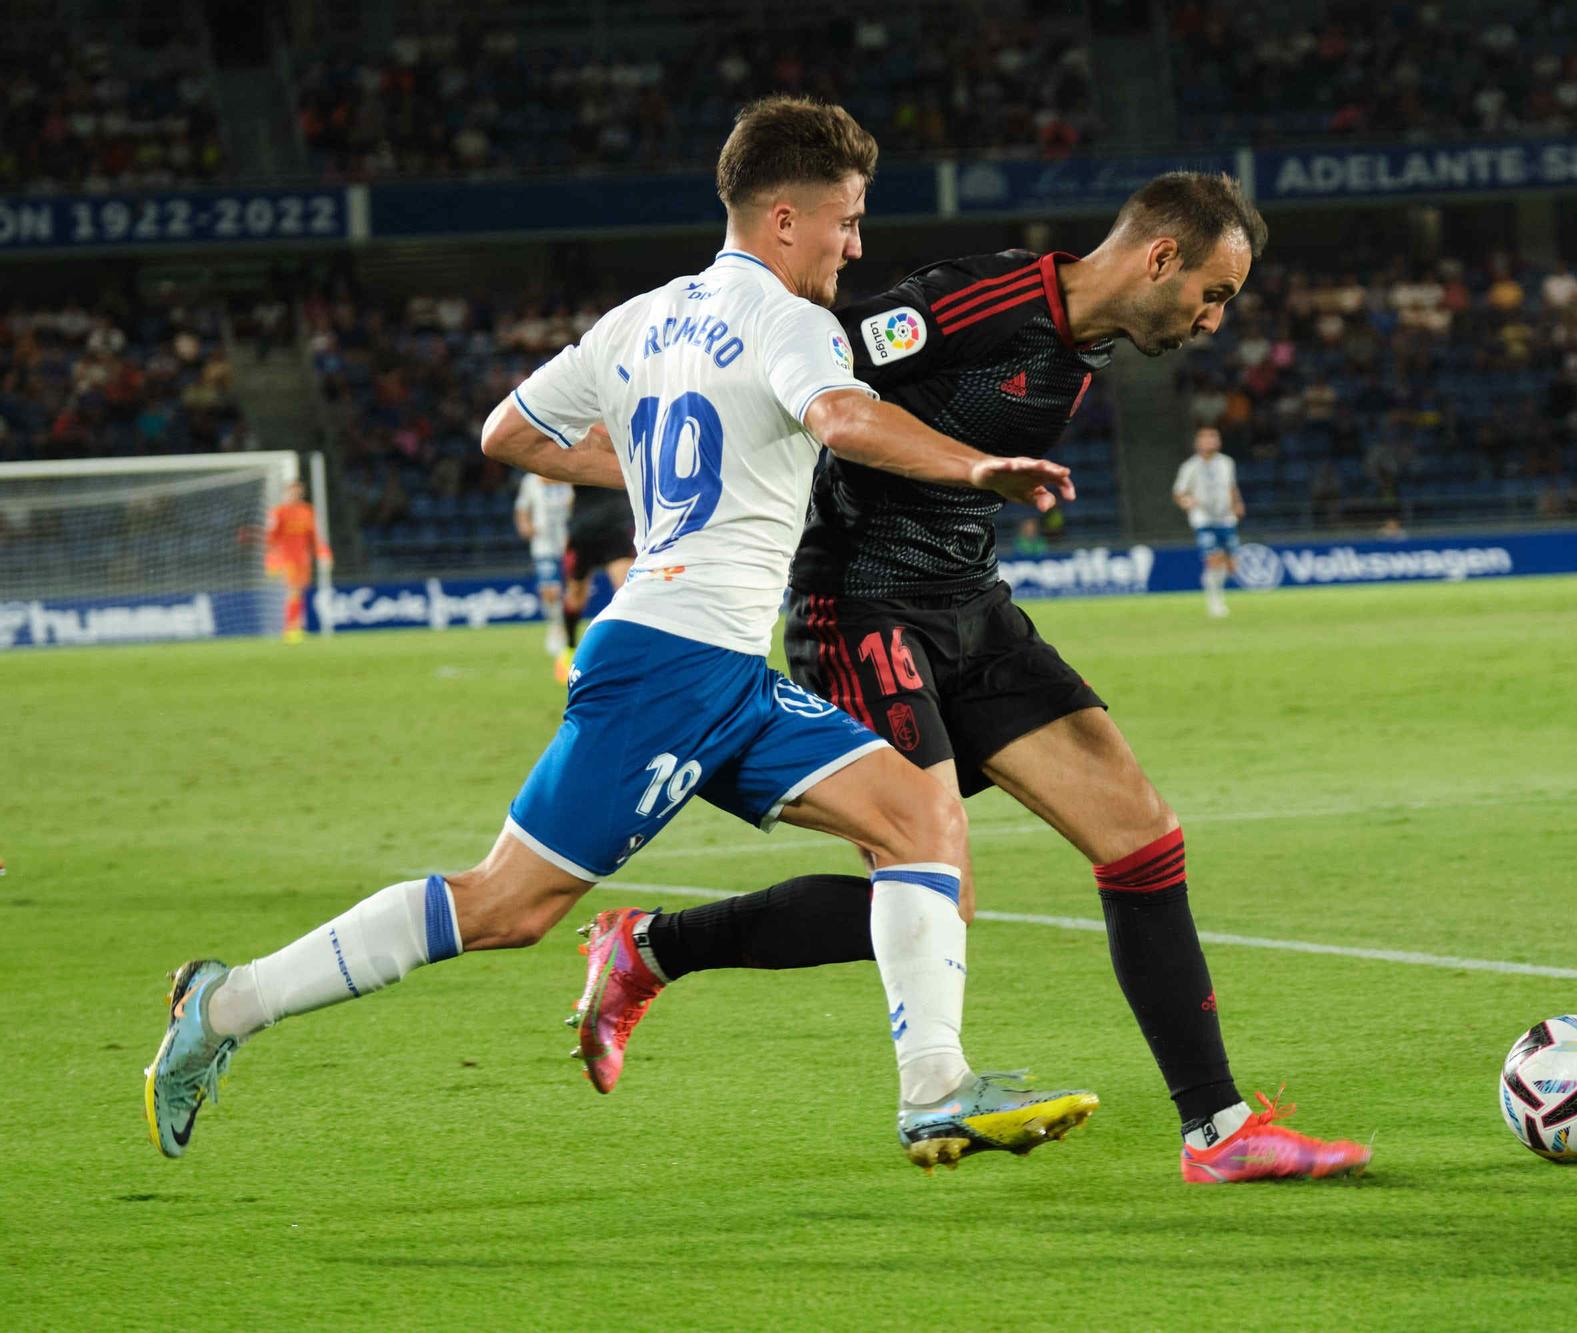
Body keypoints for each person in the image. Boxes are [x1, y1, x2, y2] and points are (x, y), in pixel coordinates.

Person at [146, 96, 1096, 1172]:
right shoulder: (792, 324)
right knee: (506, 903)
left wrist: (648, 469)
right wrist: (973, 464)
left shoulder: (637, 321)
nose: (857, 244)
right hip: (668, 663)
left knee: (921, 827)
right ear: (783, 218)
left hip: (721, 667)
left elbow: (508, 431)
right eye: (847, 219)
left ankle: (934, 1090)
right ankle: (224, 1006)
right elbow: (839, 418)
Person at [586, 172, 1372, 1184]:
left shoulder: (1078, 347)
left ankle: (1217, 1130)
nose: (1214, 320)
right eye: (1213, 293)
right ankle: (650, 951)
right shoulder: (983, 301)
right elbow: (808, 369)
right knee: (930, 896)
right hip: (860, 604)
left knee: (1137, 831)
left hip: (969, 607)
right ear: (1159, 258)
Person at [552, 472, 636, 679]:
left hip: (617, 525)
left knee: (628, 592)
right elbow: (547, 476)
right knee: (576, 596)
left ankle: (625, 654)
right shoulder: (577, 446)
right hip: (583, 529)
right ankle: (569, 649)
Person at [1173, 425, 1245, 617]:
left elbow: (1231, 486)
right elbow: (1179, 492)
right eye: (1206, 438)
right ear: (1198, 443)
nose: (1210, 442)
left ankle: (1210, 582)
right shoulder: (1190, 467)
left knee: (1231, 565)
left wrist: (1237, 503)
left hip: (1226, 518)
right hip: (1203, 518)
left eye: (1213, 437)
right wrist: (1186, 502)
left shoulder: (1227, 463)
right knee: (1214, 559)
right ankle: (1215, 602)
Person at [514, 471, 574, 661]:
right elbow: (522, 508)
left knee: (570, 590)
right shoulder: (531, 480)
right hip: (543, 543)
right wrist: (525, 525)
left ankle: (567, 627)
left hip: (568, 541)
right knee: (550, 590)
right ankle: (555, 627)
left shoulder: (570, 475)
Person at [264, 480, 329, 643]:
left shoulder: (307, 511)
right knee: (293, 590)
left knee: (299, 591)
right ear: (286, 493)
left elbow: (314, 535)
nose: (295, 495)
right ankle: (291, 629)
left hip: (303, 558)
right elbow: (270, 538)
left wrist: (323, 552)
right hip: (286, 557)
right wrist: (271, 559)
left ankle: (296, 626)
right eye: (292, 492)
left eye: (298, 492)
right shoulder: (278, 512)